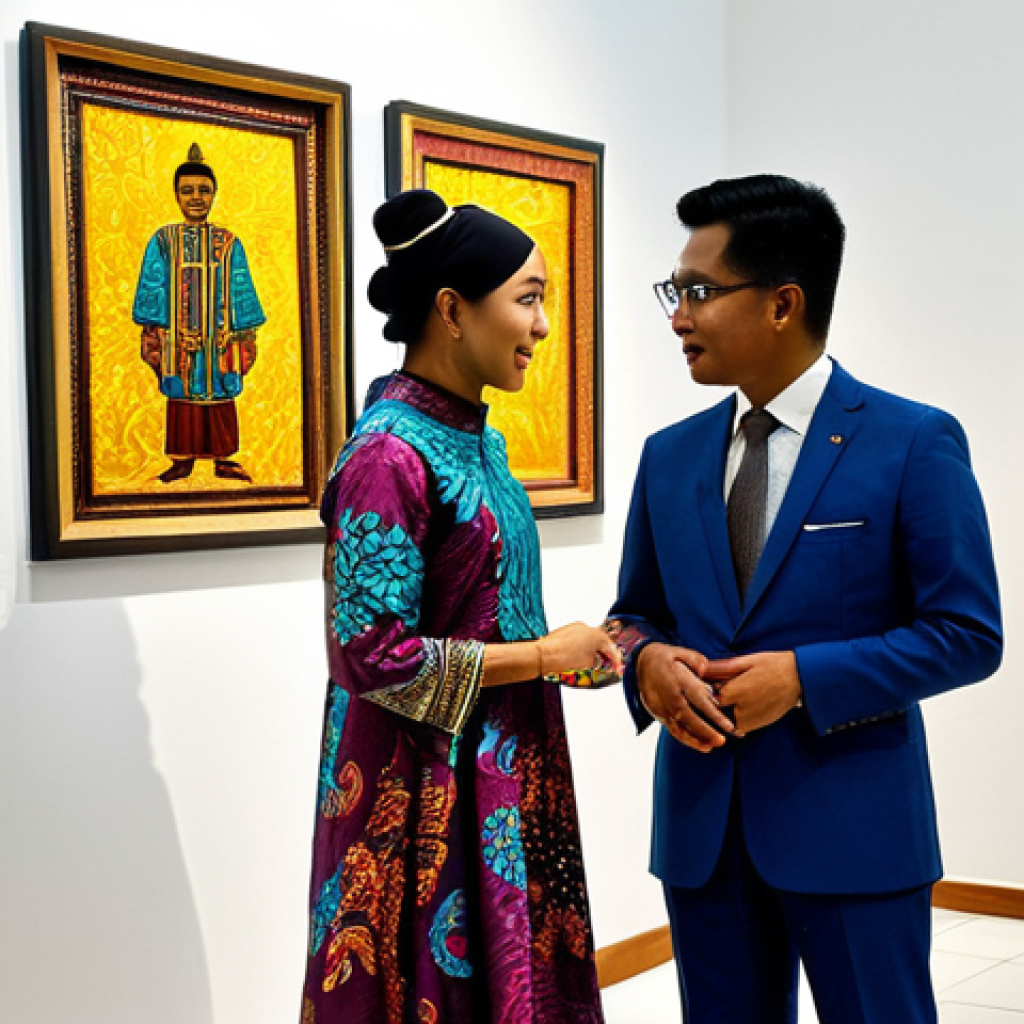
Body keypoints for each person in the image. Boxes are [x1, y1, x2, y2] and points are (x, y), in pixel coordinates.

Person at [607, 174, 1002, 1023]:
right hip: (702, 836)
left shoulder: (912, 441)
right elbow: (634, 612)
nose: (678, 315)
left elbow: (968, 632)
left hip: (855, 831)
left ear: (784, 302)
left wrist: (803, 678)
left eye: (699, 291)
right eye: (675, 291)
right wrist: (645, 663)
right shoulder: (668, 457)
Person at [299, 189, 620, 1024]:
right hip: (421, 794)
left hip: (509, 771)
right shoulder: (387, 455)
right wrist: (546, 657)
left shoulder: (480, 438)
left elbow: (487, 612)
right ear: (451, 309)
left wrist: (584, 654)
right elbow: (369, 658)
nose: (543, 325)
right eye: (528, 297)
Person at [132, 143, 265, 484]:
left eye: (203, 191)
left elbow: (241, 287)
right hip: (180, 340)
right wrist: (168, 334)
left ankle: (223, 457)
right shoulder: (164, 240)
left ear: (214, 194)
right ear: (176, 195)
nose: (195, 197)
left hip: (219, 338)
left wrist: (236, 331)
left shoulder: (228, 242)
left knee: (220, 387)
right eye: (187, 190)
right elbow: (152, 287)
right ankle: (182, 458)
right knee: (182, 391)